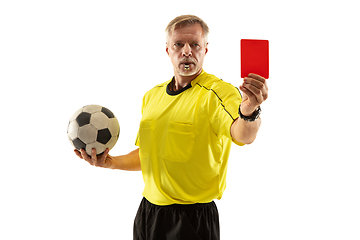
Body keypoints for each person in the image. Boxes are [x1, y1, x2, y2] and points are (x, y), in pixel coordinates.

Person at [75, 15, 268, 240]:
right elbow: (150, 155)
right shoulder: (152, 96)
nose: (187, 51)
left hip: (192, 219)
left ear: (205, 50)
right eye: (178, 44)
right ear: (168, 50)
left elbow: (243, 135)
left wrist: (251, 110)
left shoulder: (218, 93)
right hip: (148, 214)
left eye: (195, 44)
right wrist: (110, 163)